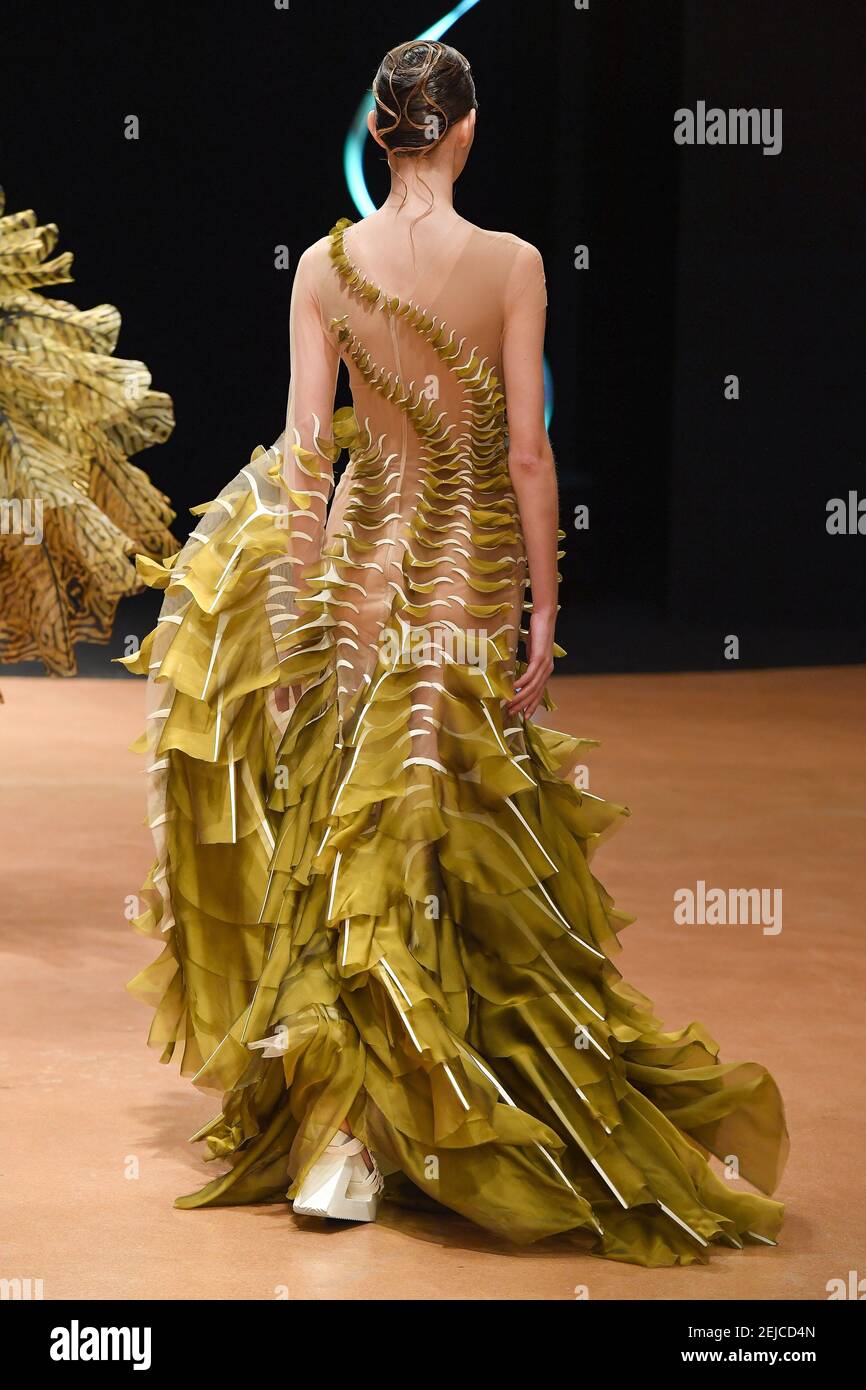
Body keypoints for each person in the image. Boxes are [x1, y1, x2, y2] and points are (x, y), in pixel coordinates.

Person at [123, 39, 788, 1266]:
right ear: (465, 128)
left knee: (354, 838)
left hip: (354, 582)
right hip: (463, 577)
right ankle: (436, 1118)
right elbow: (527, 455)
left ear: (381, 133)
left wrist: (287, 611)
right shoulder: (514, 263)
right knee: (443, 825)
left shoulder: (325, 269)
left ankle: (348, 1140)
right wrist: (544, 606)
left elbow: (305, 452)